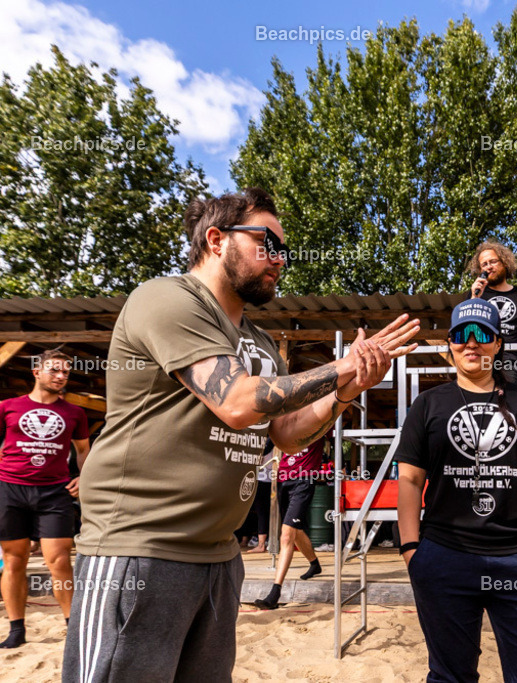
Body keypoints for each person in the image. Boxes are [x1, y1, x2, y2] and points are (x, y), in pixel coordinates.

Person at [62, 188, 419, 681]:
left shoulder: (262, 342)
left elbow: (287, 434)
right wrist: (341, 367)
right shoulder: (167, 298)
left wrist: (346, 390)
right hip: (140, 550)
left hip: (221, 556)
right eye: (267, 243)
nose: (280, 261)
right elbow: (235, 402)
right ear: (216, 239)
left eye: (285, 251)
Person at [396, 299, 517, 682]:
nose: (471, 343)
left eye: (482, 334)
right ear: (450, 344)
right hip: (444, 558)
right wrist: (411, 552)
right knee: (450, 675)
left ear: (498, 343)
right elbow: (409, 482)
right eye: (461, 335)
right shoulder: (427, 405)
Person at [0, 349, 90, 648]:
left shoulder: (74, 413)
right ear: (36, 372)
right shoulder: (7, 407)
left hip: (55, 492)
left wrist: (84, 477)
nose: (61, 376)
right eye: (54, 370)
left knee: (60, 561)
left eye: (65, 371)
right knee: (14, 560)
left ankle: (72, 626)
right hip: (10, 489)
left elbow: (82, 451)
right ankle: (16, 630)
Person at [254, 435, 327, 609]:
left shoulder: (318, 418)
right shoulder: (286, 421)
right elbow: (268, 444)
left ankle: (274, 594)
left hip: (305, 479)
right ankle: (315, 564)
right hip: (283, 479)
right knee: (295, 531)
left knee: (286, 535)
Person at [467, 241, 517, 383]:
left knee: (505, 395)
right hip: (481, 354)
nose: (489, 267)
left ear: (504, 263)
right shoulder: (477, 294)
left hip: (510, 357)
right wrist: (474, 298)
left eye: (493, 261)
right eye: (484, 264)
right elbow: (466, 327)